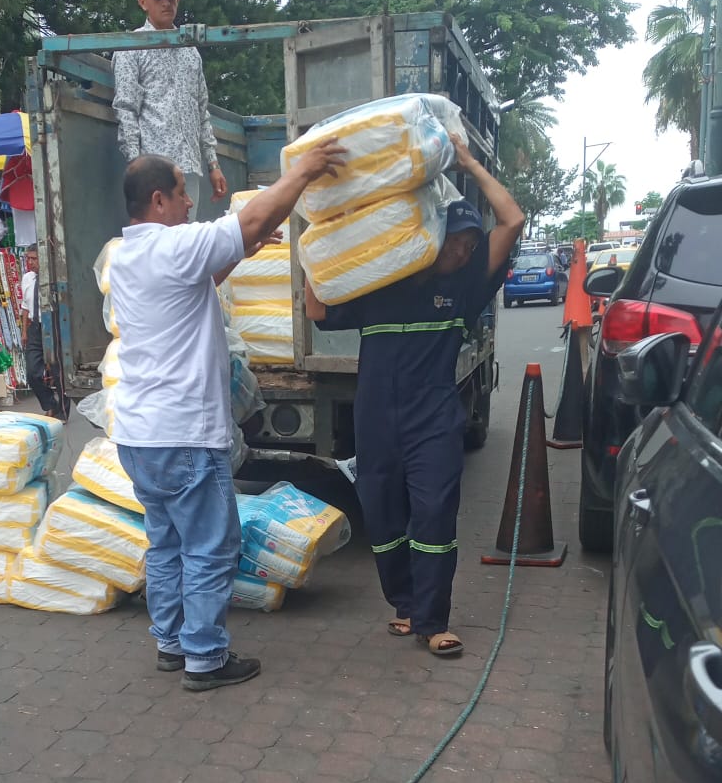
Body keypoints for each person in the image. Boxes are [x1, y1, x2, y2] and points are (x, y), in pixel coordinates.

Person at [110, 140, 346, 692]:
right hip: (184, 434)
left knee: (167, 545)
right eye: (182, 194)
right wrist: (304, 171)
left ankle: (171, 643)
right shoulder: (174, 245)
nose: (190, 203)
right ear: (158, 200)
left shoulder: (125, 255)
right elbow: (253, 217)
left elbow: (196, 282)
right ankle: (205, 658)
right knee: (210, 547)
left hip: (139, 436)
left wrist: (243, 251)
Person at [306, 135, 525, 659]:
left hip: (434, 419)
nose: (464, 251)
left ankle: (433, 620)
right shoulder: (381, 284)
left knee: (435, 514)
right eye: (456, 241)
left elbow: (512, 220)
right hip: (376, 421)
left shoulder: (465, 288)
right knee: (382, 517)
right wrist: (317, 245)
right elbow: (317, 310)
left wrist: (469, 162)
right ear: (430, 237)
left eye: (470, 244)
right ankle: (405, 604)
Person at [112, 0, 227, 219]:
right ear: (143, 2)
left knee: (187, 238)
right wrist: (137, 168)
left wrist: (213, 164)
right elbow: (126, 110)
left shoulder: (191, 52)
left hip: (189, 170)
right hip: (155, 173)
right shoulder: (131, 47)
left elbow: (202, 112)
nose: (166, 2)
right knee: (159, 238)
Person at [20, 249, 66, 418]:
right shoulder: (27, 278)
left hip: (52, 325)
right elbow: (25, 306)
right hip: (35, 327)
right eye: (28, 259)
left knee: (57, 370)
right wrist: (24, 331)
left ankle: (62, 409)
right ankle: (49, 402)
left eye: (34, 258)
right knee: (32, 372)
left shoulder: (52, 278)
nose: (30, 262)